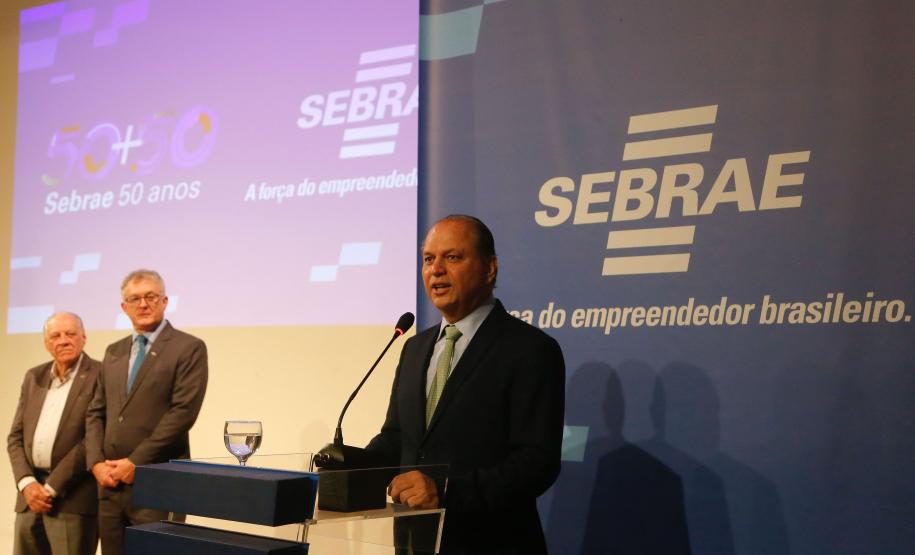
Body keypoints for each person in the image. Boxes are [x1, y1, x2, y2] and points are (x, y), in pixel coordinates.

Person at [364, 215, 566, 554]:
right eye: (428, 259)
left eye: (452, 257)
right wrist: (345, 467)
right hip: (417, 542)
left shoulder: (530, 349)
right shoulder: (415, 348)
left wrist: (445, 491)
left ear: (490, 269)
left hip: (491, 542)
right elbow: (398, 438)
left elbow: (536, 462)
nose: (436, 270)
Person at [85, 269, 208, 555]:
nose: (143, 304)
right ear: (123, 307)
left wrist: (135, 462)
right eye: (134, 298)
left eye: (151, 297)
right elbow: (96, 412)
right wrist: (95, 463)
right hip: (111, 485)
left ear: (165, 301)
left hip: (158, 481)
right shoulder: (113, 351)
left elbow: (183, 413)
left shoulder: (188, 348)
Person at [7, 312, 101, 555]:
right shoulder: (33, 377)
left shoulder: (99, 375)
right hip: (29, 499)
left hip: (72, 499)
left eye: (70, 334)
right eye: (55, 336)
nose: (63, 341)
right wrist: (27, 484)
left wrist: (50, 488)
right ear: (47, 343)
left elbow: (91, 440)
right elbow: (15, 437)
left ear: (83, 337)